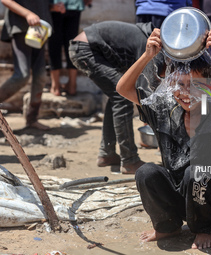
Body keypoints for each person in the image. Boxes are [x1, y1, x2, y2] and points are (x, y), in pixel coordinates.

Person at [116, 28, 211, 249]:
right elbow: (122, 88)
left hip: (210, 198)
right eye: (180, 85)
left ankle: (205, 228)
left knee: (196, 172)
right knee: (146, 172)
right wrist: (148, 55)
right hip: (176, 196)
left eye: (196, 85)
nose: (186, 92)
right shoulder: (165, 110)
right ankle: (167, 226)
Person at [68, 21, 151, 173]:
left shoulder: (141, 37)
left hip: (84, 48)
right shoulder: (146, 44)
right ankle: (130, 160)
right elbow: (142, 87)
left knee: (116, 97)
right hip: (86, 50)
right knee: (122, 97)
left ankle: (107, 154)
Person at [0, 0, 60, 130]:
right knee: (21, 76)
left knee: (41, 76)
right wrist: (27, 14)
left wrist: (54, 7)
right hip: (21, 26)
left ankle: (32, 119)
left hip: (40, 29)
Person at [48, 0, 92, 96]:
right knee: (72, 44)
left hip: (55, 4)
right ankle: (72, 85)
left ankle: (55, 86)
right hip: (74, 4)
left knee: (54, 44)